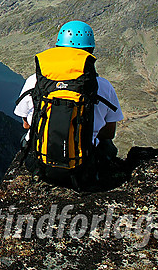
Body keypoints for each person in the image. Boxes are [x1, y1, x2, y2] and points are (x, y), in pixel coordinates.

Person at [14, 21, 124, 179]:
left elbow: (26, 124)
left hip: (39, 163)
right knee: (108, 147)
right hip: (83, 167)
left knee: (27, 139)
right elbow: (109, 133)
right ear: (90, 52)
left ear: (58, 49)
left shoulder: (36, 80)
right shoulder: (103, 86)